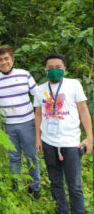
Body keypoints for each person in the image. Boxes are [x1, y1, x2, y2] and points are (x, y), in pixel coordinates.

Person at [34, 53, 92, 213]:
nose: (54, 70)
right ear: (45, 70)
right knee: (55, 181)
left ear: (64, 69)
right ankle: (62, 210)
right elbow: (38, 114)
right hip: (48, 143)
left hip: (71, 144)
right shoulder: (39, 90)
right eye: (50, 68)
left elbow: (84, 111)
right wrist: (38, 138)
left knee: (75, 184)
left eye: (58, 67)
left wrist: (89, 137)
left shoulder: (74, 85)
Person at [0, 46, 40, 198]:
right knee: (14, 157)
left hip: (28, 123)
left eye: (6, 59)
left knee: (31, 156)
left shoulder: (24, 75)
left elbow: (37, 97)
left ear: (12, 59)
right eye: (0, 60)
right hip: (8, 126)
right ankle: (16, 185)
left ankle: (35, 187)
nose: (4, 62)